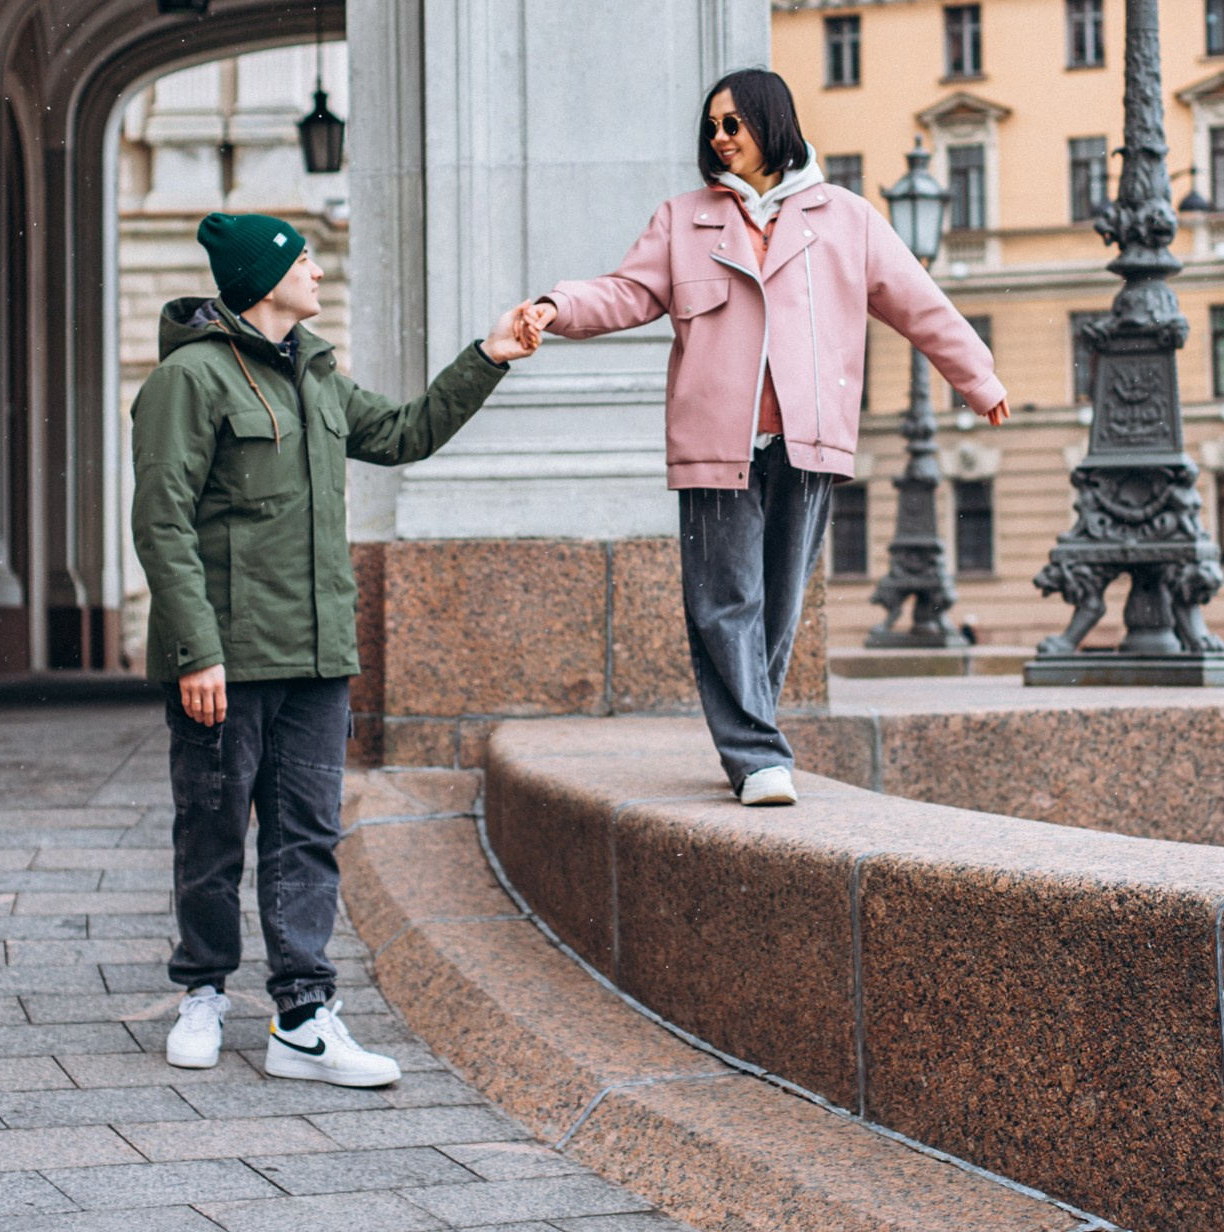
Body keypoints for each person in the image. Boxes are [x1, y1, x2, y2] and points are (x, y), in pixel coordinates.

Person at [515, 69, 1004, 806]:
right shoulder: (683, 219)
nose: (720, 137)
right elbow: (628, 291)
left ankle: (752, 742)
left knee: (778, 605)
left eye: (733, 123)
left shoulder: (847, 218)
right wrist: (557, 305)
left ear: (773, 124)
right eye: (712, 126)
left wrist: (979, 379)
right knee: (723, 601)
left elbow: (919, 304)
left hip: (809, 443)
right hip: (718, 444)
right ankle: (754, 755)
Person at [131, 212, 537, 1080]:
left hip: (317, 657)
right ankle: (202, 989)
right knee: (211, 830)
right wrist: (198, 650)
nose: (317, 269)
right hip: (228, 657)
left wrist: (490, 356)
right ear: (263, 278)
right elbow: (161, 522)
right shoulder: (190, 380)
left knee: (306, 835)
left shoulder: (317, 377)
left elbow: (405, 433)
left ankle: (303, 1018)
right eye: (302, 257)